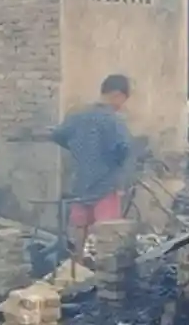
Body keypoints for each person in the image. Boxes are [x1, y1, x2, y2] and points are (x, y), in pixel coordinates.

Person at [50, 74, 134, 264]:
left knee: (79, 229)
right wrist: (116, 164)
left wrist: (76, 147)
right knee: (109, 234)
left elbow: (57, 135)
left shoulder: (77, 116)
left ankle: (76, 269)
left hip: (81, 183)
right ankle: (108, 275)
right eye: (123, 100)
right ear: (117, 95)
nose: (121, 105)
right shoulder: (114, 121)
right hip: (106, 184)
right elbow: (124, 147)